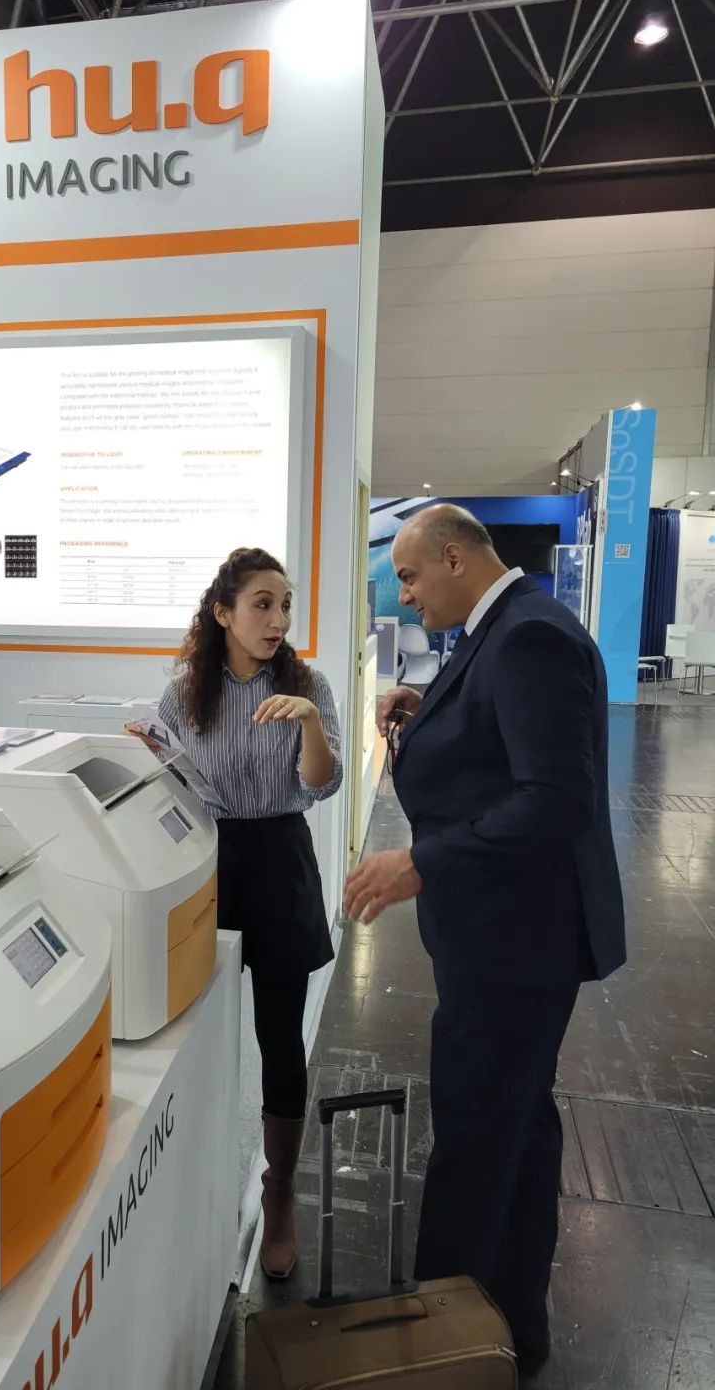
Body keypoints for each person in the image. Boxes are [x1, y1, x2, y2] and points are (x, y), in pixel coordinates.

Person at [343, 505, 625, 1379]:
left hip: (516, 942)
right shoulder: (506, 627)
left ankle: (444, 1346)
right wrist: (429, 711)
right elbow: (502, 740)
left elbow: (554, 799)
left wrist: (421, 861)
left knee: (475, 1138)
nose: (404, 594)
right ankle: (509, 1330)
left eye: (411, 576)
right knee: (515, 1129)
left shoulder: (530, 637)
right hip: (508, 937)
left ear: (456, 557)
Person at [140, 548, 342, 1280]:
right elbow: (174, 786)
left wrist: (311, 722)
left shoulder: (307, 685)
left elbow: (322, 784)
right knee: (197, 1028)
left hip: (281, 861)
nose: (278, 619)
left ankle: (278, 1192)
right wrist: (144, 756)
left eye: (284, 604)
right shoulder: (183, 692)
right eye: (262, 603)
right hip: (209, 863)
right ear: (223, 612)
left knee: (279, 1038)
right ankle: (194, 1173)